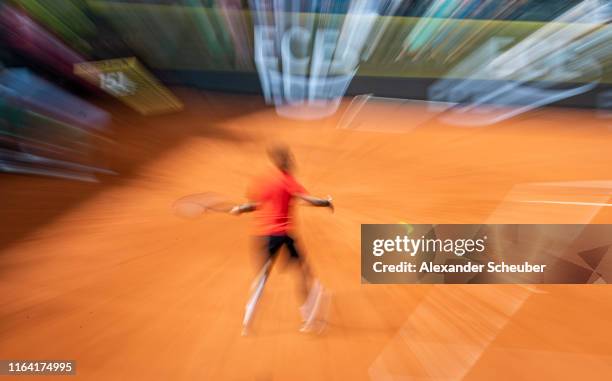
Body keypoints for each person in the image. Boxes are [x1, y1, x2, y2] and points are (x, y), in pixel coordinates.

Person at [229, 144, 333, 335]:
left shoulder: (264, 180)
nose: (291, 161)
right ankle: (308, 319)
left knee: (262, 277)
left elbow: (256, 204)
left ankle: (247, 323)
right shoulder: (289, 181)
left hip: (264, 235)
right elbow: (309, 200)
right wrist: (326, 202)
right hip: (283, 235)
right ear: (283, 161)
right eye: (289, 158)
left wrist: (240, 209)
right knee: (303, 273)